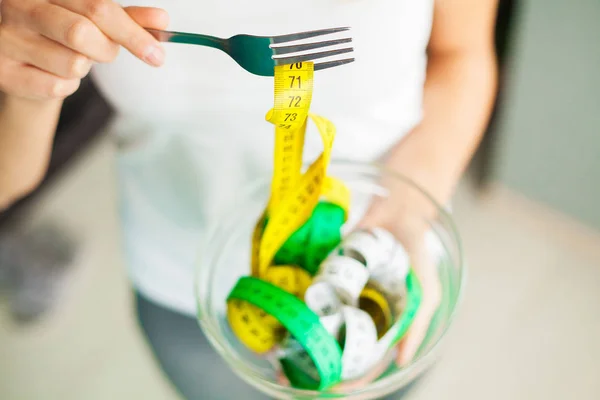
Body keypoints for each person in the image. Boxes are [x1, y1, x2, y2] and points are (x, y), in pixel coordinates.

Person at [0, 0, 498, 398]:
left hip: (389, 268)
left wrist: (408, 211)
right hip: (182, 283)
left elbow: (463, 56)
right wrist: (30, 80)